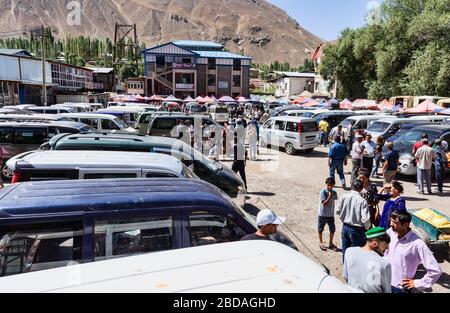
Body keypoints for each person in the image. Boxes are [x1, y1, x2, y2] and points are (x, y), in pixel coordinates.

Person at [385, 210, 442, 293]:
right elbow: (385, 250)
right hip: (385, 282)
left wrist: (417, 283)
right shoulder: (391, 232)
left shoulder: (417, 243)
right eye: (391, 221)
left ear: (405, 225)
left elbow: (435, 270)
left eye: (394, 222)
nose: (391, 224)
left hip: (400, 288)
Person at [344, 227, 392, 293]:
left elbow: (346, 277)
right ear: (374, 244)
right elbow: (387, 291)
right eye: (385, 244)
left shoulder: (349, 251)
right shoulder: (384, 264)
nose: (387, 248)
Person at [336, 180, 372, 258]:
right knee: (357, 253)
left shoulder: (343, 197)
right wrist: (368, 229)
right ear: (362, 188)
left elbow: (337, 211)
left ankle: (346, 268)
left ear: (352, 186)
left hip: (345, 227)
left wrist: (344, 217)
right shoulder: (362, 201)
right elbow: (366, 219)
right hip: (357, 230)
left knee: (345, 251)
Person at [318, 178, 339, 252]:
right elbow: (324, 203)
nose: (330, 187)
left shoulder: (334, 192)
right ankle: (321, 242)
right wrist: (329, 196)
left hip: (330, 214)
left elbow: (335, 200)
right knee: (320, 229)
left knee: (332, 229)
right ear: (326, 184)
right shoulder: (323, 192)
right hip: (322, 214)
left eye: (332, 186)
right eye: (329, 185)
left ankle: (330, 243)